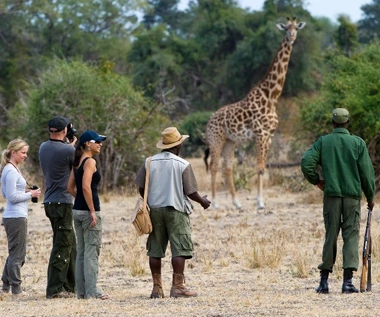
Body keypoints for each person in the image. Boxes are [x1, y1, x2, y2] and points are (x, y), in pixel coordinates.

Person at [301, 108, 375, 294]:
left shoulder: (323, 142)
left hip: (331, 196)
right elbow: (367, 174)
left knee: (331, 235)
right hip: (352, 198)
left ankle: (324, 282)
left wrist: (316, 180)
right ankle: (347, 283)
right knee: (351, 235)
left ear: (333, 123)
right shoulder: (358, 143)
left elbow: (306, 162)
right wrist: (370, 197)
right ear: (347, 122)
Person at [135, 127, 211, 299]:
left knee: (155, 249)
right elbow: (191, 191)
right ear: (178, 146)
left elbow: (141, 188)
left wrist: (153, 199)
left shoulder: (149, 162)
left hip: (154, 211)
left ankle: (156, 288)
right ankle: (177, 287)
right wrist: (203, 201)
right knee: (179, 249)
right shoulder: (182, 164)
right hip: (176, 210)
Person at [67, 130, 109, 300]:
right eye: (97, 141)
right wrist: (91, 210)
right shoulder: (90, 161)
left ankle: (81, 292)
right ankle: (92, 291)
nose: (100, 144)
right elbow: (85, 187)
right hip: (88, 213)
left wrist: (81, 202)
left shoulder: (77, 162)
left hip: (77, 211)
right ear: (87, 144)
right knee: (92, 252)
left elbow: (69, 188)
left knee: (82, 253)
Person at [39, 116, 77, 299]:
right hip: (63, 202)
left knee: (70, 243)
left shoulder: (43, 147)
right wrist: (72, 145)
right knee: (62, 246)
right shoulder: (68, 150)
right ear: (64, 131)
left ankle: (71, 285)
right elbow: (77, 165)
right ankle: (54, 289)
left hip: (50, 201)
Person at [1, 139, 41, 296]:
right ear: (13, 152)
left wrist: (24, 192)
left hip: (15, 215)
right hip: (15, 216)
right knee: (18, 255)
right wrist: (29, 194)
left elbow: (5, 193)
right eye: (23, 152)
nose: (25, 155)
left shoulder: (9, 169)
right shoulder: (11, 171)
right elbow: (10, 197)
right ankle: (16, 289)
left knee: (14, 253)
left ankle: (5, 287)